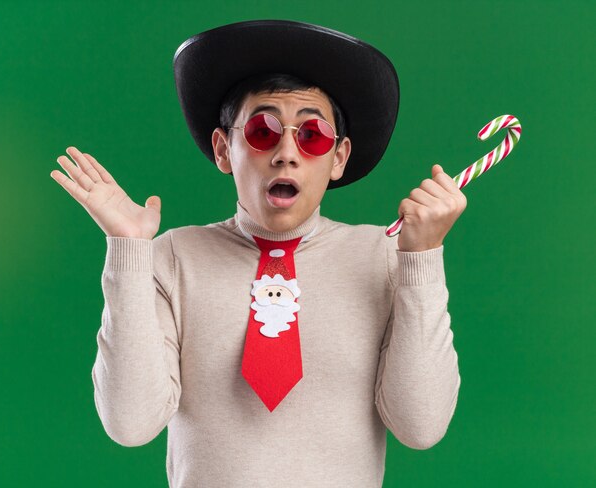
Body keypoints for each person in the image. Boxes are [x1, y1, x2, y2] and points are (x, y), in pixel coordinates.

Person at [50, 20, 466, 488]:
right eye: (263, 130)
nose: (287, 152)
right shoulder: (172, 258)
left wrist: (422, 261)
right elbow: (130, 424)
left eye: (312, 134)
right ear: (224, 148)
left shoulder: (387, 257)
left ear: (339, 157)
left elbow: (421, 427)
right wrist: (128, 249)